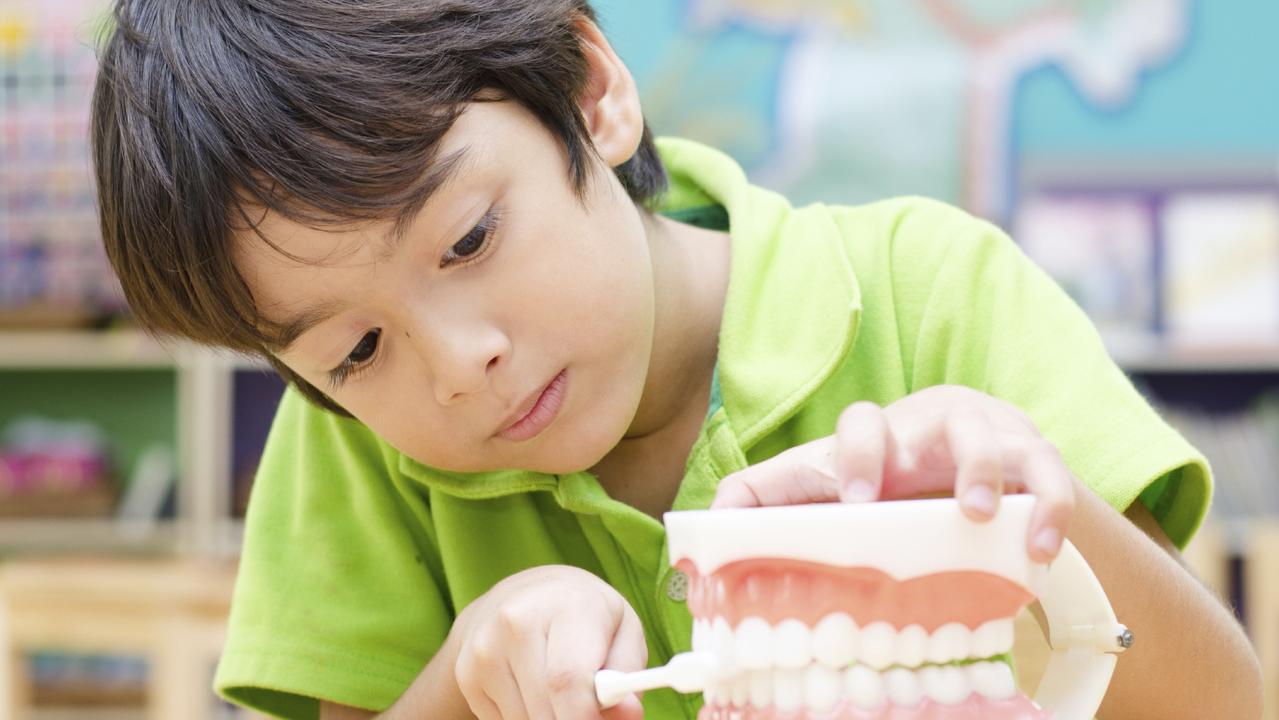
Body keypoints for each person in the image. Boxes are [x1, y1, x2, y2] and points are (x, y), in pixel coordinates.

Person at [89, 1, 1262, 718]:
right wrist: (468, 669)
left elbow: (1223, 704)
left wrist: (1031, 513)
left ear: (592, 97)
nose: (459, 365)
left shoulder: (931, 296)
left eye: (470, 238)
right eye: (356, 349)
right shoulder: (353, 451)